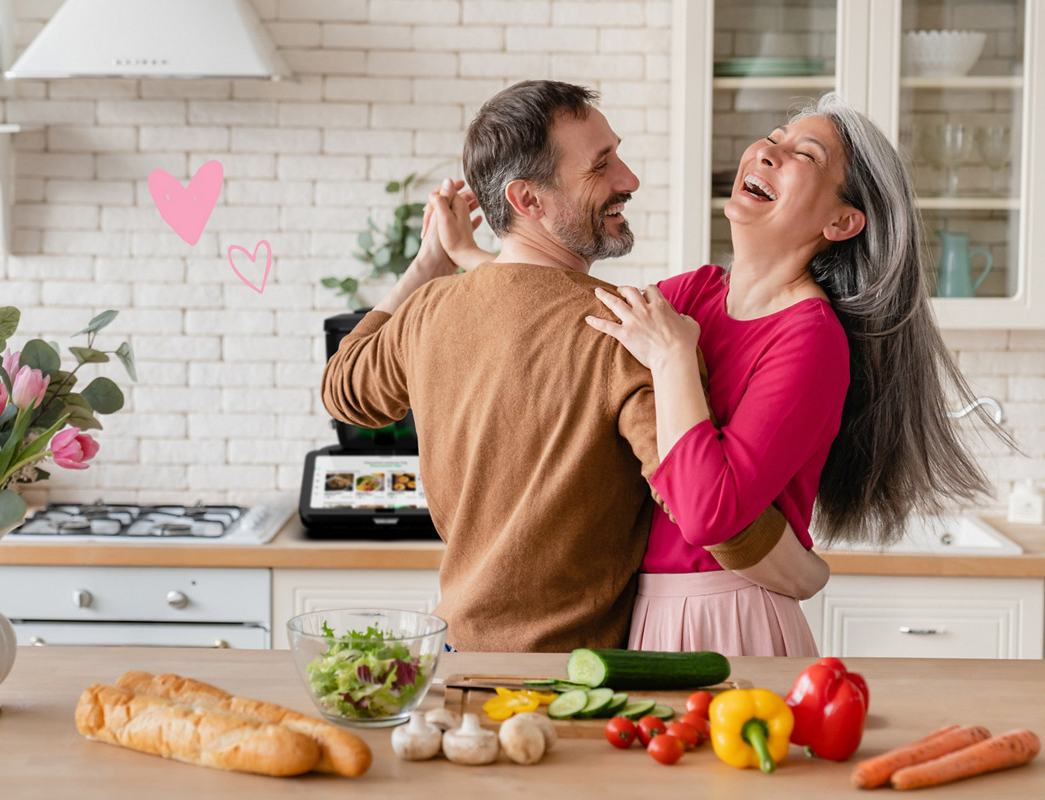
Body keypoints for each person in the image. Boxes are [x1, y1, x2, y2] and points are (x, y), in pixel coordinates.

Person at [431, 91, 1005, 656]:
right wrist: (471, 257)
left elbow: (711, 513)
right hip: (647, 613)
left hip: (732, 615)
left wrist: (676, 359)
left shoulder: (809, 338)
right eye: (775, 139)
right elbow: (574, 321)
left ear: (841, 221)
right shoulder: (698, 292)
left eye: (805, 156)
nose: (767, 151)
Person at [321, 80, 826, 653]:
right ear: (528, 200)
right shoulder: (621, 332)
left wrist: (427, 265)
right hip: (573, 680)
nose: (629, 180)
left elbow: (343, 388)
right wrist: (809, 574)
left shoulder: (430, 311)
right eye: (601, 166)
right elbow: (707, 512)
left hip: (456, 659)